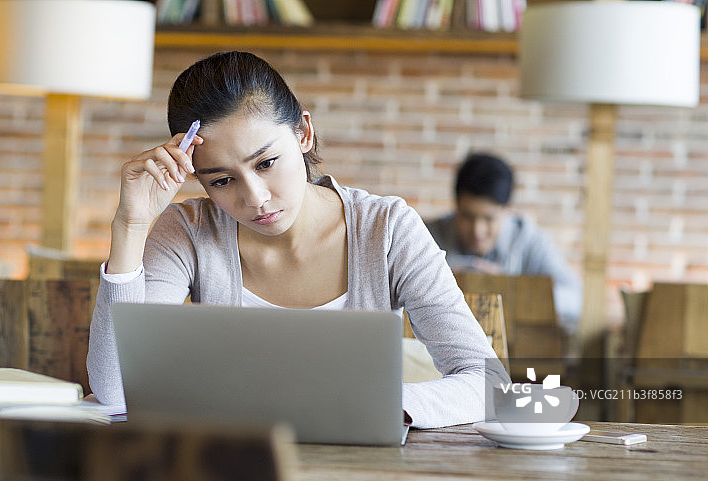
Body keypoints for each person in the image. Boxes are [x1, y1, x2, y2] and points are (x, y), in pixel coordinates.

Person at [86, 51, 508, 429]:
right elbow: (116, 390)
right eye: (222, 180)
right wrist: (131, 226)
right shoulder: (187, 230)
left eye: (267, 162)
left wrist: (383, 405)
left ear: (303, 133)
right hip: (232, 475)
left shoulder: (387, 229)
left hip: (367, 473)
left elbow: (487, 381)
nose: (255, 198)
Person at [425, 152, 582, 329]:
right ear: (456, 205)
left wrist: (511, 289)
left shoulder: (530, 240)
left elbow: (576, 300)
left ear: (508, 210)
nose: (478, 230)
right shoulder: (427, 237)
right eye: (468, 216)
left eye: (489, 218)